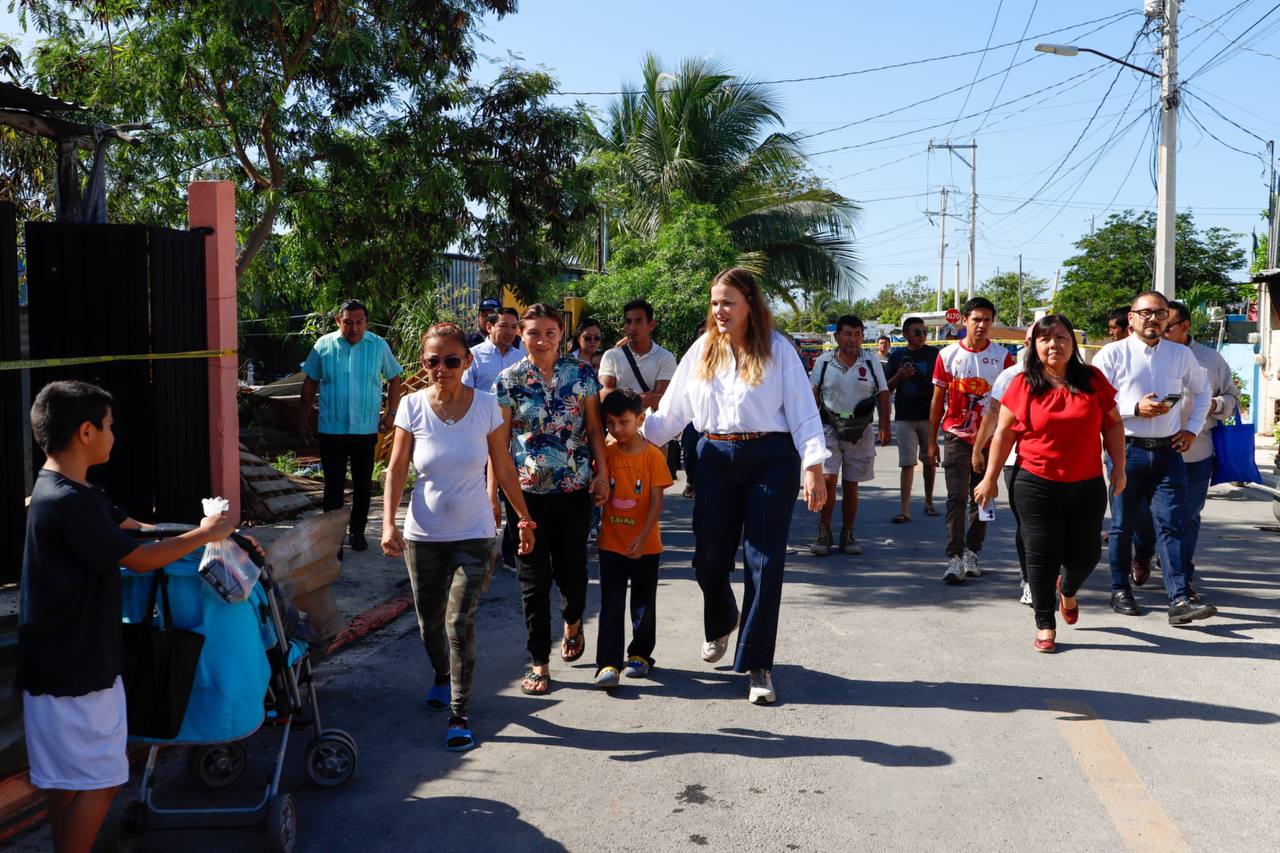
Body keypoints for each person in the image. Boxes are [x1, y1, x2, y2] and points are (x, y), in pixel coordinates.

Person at [19, 381, 235, 853]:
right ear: (86, 432)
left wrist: (182, 531)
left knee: (65, 779)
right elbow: (137, 559)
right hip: (80, 671)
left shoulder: (60, 490)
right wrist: (205, 534)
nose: (115, 435)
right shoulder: (68, 503)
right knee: (102, 779)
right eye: (110, 426)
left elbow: (130, 528)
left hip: (52, 664)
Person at [643, 267, 828, 705]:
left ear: (749, 304)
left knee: (764, 561)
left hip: (770, 459)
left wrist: (814, 466)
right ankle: (724, 616)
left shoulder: (778, 350)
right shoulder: (703, 350)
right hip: (713, 459)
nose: (719, 310)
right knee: (708, 559)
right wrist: (630, 440)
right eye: (714, 303)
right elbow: (671, 414)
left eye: (727, 302)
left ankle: (757, 662)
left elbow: (803, 411)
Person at [380, 323, 535, 751]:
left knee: (457, 622)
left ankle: (459, 712)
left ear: (468, 362)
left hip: (474, 532)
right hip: (423, 533)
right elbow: (395, 469)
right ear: (423, 364)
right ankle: (441, 674)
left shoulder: (487, 406)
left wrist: (523, 516)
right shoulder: (411, 406)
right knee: (429, 625)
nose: (442, 368)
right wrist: (389, 523)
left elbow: (502, 466)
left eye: (452, 360)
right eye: (433, 361)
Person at [973, 315, 1125, 653]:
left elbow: (1113, 425)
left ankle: (1067, 591)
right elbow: (1005, 434)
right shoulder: (1023, 383)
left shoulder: (1093, 380)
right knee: (1040, 554)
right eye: (1045, 339)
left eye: (1060, 337)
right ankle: (1045, 624)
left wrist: (1119, 467)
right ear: (1034, 346)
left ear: (1072, 343)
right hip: (1034, 482)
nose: (1053, 344)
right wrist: (990, 479)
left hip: (1085, 483)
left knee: (1086, 553)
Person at [494, 304, 610, 696]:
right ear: (520, 335)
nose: (541, 340)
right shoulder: (509, 380)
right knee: (533, 581)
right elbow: (501, 446)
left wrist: (603, 472)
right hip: (525, 497)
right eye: (533, 333)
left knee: (572, 573)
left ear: (562, 334)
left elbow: (594, 430)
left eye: (549, 332)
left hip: (574, 492)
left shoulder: (581, 375)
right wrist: (496, 496)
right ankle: (539, 662)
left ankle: (573, 620)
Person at [1094, 290, 1214, 624]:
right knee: (1122, 525)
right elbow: (1094, 402)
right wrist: (1134, 408)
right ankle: (1120, 589)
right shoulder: (1111, 355)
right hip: (1126, 450)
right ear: (1131, 319)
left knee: (1172, 524)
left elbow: (1203, 392)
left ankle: (1178, 599)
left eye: (1160, 314)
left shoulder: (1180, 355)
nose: (1153, 319)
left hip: (1167, 453)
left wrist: (1191, 429)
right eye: (1146, 313)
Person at [1131, 300, 1239, 602]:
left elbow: (1232, 397)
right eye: (1158, 322)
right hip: (1147, 451)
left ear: (1186, 326)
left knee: (1187, 516)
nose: (1161, 329)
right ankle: (1142, 552)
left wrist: (1216, 405)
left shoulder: (1211, 360)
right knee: (1142, 514)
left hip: (1195, 452)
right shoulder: (1141, 354)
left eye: (1169, 324)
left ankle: (1181, 578)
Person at [298, 299, 403, 553]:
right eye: (348, 322)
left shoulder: (377, 345)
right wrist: (301, 419)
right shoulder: (324, 345)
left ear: (366, 322)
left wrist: (391, 413)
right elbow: (310, 383)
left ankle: (358, 531)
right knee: (333, 485)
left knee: (362, 484)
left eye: (359, 322)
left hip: (365, 429)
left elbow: (395, 378)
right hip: (331, 429)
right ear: (338, 322)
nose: (354, 328)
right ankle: (333, 539)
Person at [927, 296, 1014, 584]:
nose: (981, 325)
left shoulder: (1003, 358)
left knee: (983, 497)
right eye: (976, 319)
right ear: (964, 321)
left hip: (989, 439)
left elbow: (1006, 404)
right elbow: (938, 400)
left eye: (987, 320)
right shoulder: (948, 355)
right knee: (956, 497)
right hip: (955, 435)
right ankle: (954, 556)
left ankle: (973, 552)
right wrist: (931, 440)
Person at [592, 389, 673, 688]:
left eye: (624, 422)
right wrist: (600, 494)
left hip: (646, 545)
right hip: (610, 542)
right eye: (610, 423)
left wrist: (642, 535)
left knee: (643, 603)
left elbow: (656, 501)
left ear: (640, 419)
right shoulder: (607, 455)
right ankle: (608, 664)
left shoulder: (653, 455)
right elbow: (601, 490)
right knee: (610, 603)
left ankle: (640, 655)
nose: (616, 430)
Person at [808, 315, 890, 556]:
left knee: (852, 485)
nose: (853, 339)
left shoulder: (871, 362)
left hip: (860, 431)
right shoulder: (823, 362)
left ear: (863, 337)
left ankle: (848, 532)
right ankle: (824, 532)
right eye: (847, 334)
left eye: (858, 334)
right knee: (829, 481)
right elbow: (812, 393)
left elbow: (883, 393)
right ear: (837, 336)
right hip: (829, 428)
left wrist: (885, 424)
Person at [970, 325, 1034, 606]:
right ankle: (1030, 579)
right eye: (1032, 340)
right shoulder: (1010, 376)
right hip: (1015, 462)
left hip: (1059, 465)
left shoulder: (1070, 376)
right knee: (1028, 524)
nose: (1037, 346)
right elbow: (993, 414)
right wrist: (978, 450)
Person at [886, 316, 940, 523]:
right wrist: (899, 376)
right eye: (917, 332)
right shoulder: (896, 355)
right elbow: (887, 387)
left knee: (930, 460)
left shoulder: (934, 354)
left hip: (928, 416)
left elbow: (939, 385)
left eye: (924, 332)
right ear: (906, 334)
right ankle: (905, 509)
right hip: (904, 416)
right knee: (907, 463)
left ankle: (929, 502)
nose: (922, 335)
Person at [598, 299, 678, 411]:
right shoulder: (611, 356)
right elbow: (604, 395)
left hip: (652, 426)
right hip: (619, 426)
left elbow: (663, 400)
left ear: (651, 325)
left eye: (638, 321)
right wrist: (644, 398)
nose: (632, 327)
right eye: (628, 321)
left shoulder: (665, 358)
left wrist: (620, 396)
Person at [679, 320, 708, 499]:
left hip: (716, 424)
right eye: (702, 332)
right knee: (689, 446)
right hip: (693, 417)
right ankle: (691, 481)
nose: (706, 335)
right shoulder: (691, 358)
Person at [462, 307, 522, 392]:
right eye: (503, 326)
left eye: (513, 327)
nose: (509, 332)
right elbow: (464, 392)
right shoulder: (473, 356)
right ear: (489, 327)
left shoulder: (521, 358)